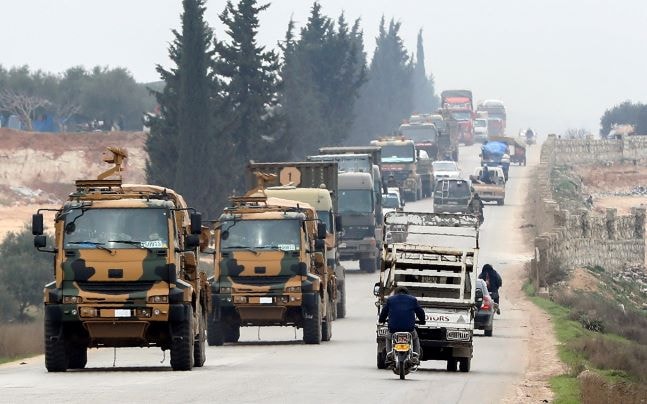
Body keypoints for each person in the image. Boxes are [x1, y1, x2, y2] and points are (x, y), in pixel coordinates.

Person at [378, 286, 426, 364]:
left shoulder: (390, 300)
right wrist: (422, 321)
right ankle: (415, 356)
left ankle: (389, 354)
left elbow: (384, 312)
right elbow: (420, 312)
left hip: (394, 329)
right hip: (409, 329)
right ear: (407, 293)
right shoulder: (412, 300)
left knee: (389, 338)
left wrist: (381, 320)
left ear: (396, 293)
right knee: (415, 338)